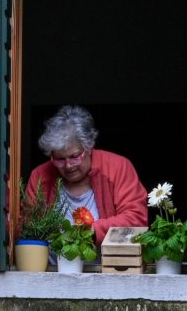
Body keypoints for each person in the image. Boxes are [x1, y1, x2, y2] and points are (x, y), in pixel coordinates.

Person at [26, 105, 148, 245]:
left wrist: (92, 232)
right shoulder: (40, 176)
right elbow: (27, 228)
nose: (68, 165)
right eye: (60, 159)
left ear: (89, 147)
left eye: (75, 156)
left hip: (107, 266)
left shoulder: (118, 167)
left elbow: (136, 221)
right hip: (52, 267)